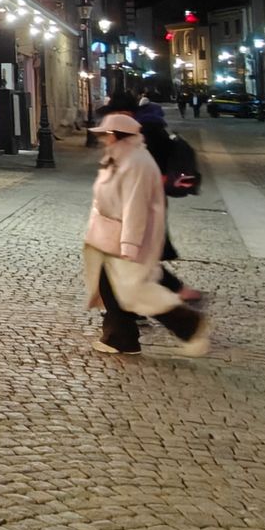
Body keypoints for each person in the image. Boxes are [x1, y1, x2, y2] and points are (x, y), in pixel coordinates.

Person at [83, 111, 213, 356]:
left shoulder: (136, 163)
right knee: (111, 289)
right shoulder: (118, 159)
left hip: (125, 238)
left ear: (116, 135)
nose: (102, 139)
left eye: (106, 134)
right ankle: (121, 338)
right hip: (107, 236)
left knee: (135, 291)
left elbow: (136, 207)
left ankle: (188, 324)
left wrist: (129, 244)